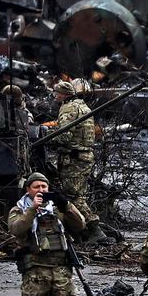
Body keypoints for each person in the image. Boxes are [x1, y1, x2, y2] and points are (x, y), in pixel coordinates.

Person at [49, 80, 105, 245]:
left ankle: (95, 229)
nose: (54, 96)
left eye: (56, 93)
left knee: (73, 196)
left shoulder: (68, 108)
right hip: (84, 156)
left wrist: (47, 137)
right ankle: (83, 231)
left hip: (73, 158)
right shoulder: (83, 106)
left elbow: (65, 136)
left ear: (64, 94)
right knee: (77, 194)